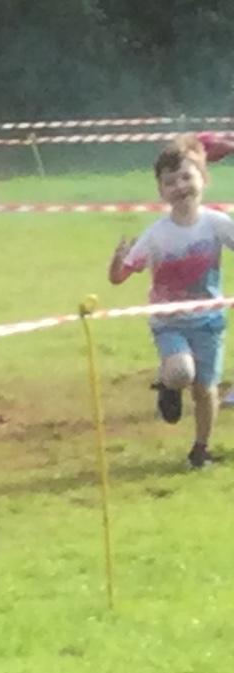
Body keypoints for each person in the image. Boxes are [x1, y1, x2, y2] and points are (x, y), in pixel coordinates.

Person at [111, 140, 234, 465]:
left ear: (203, 179)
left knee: (205, 389)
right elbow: (120, 277)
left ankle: (200, 449)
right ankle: (169, 384)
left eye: (186, 177)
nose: (180, 186)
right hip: (169, 322)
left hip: (210, 321)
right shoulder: (157, 234)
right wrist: (118, 261)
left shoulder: (217, 223)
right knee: (182, 372)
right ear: (161, 191)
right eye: (170, 182)